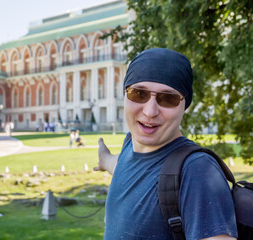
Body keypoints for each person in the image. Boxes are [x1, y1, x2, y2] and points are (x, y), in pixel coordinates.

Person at [94, 48, 237, 240]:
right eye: (138, 94)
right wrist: (105, 159)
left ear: (184, 105)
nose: (150, 111)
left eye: (167, 99)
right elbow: (123, 166)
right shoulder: (130, 145)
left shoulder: (197, 171)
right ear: (125, 95)